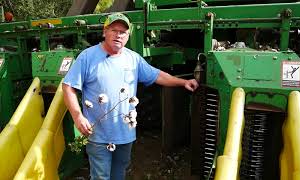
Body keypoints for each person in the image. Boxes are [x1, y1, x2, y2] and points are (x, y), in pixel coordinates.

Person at [62, 12, 198, 180]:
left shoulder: (133, 59)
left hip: (125, 134)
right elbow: (68, 86)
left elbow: (156, 75)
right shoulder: (88, 57)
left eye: (123, 32)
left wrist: (182, 82)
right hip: (97, 134)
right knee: (100, 176)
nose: (118, 35)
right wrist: (77, 116)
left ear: (128, 36)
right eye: (114, 30)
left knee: (119, 174)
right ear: (105, 32)